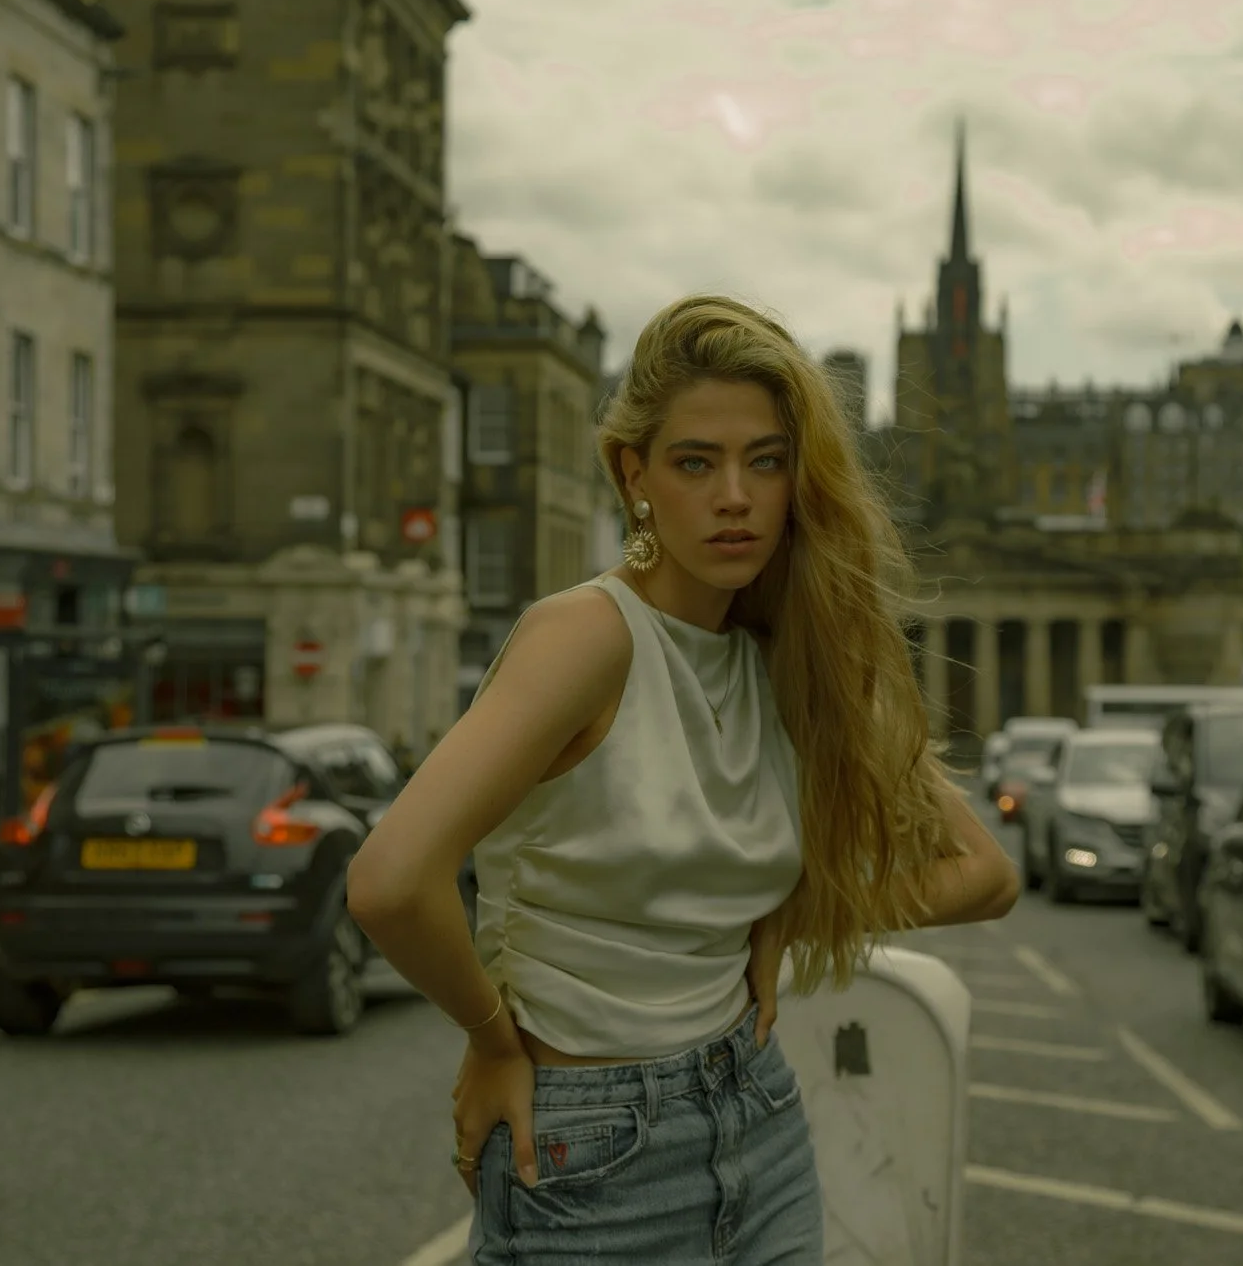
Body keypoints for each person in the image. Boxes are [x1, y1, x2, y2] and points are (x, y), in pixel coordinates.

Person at [346, 294, 1020, 1263]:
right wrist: (492, 1039)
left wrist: (792, 915)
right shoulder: (585, 637)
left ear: (798, 482)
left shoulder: (786, 656)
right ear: (635, 477)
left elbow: (984, 873)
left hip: (758, 1112)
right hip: (588, 1149)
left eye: (765, 461)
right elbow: (389, 881)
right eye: (695, 462)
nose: (735, 495)